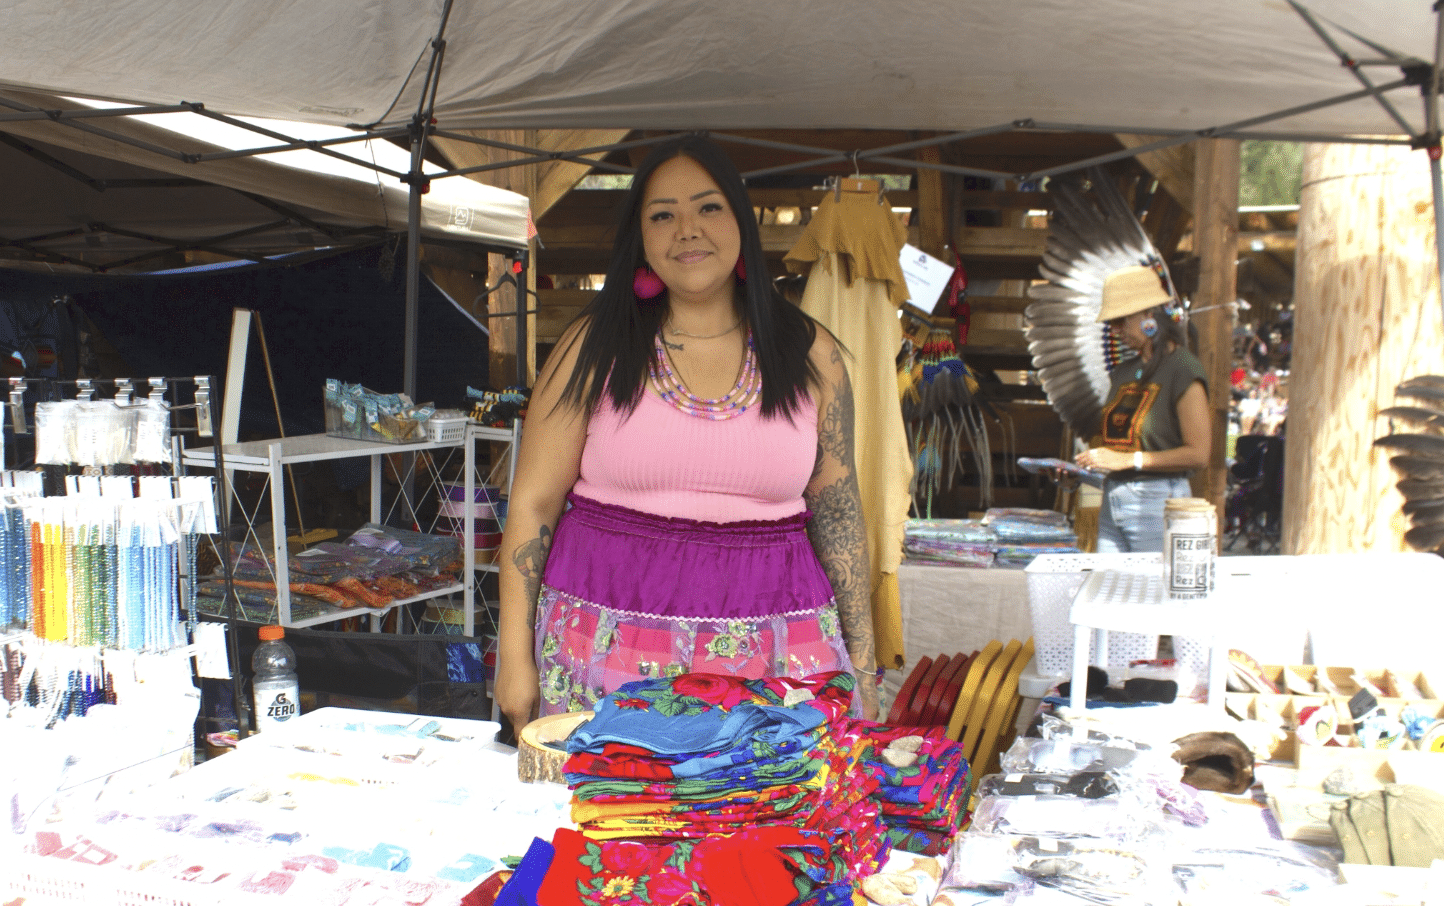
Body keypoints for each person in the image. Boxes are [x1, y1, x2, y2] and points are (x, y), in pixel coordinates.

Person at [494, 135, 880, 730]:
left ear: (741, 222)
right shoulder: (591, 347)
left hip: (776, 667)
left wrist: (866, 666)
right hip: (602, 660)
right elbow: (533, 503)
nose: (688, 230)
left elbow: (840, 515)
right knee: (610, 819)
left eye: (708, 207)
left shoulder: (812, 355)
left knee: (764, 821)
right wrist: (513, 660)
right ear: (641, 238)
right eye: (662, 215)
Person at [1074, 264, 1211, 552]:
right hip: (1114, 497)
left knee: (1151, 592)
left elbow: (1198, 454)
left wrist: (1129, 461)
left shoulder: (1182, 368)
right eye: (1112, 323)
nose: (1116, 331)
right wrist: (1082, 469)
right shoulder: (1123, 372)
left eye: (1122, 320)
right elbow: (1115, 449)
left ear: (1151, 315)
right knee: (1111, 592)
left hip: (1158, 499)